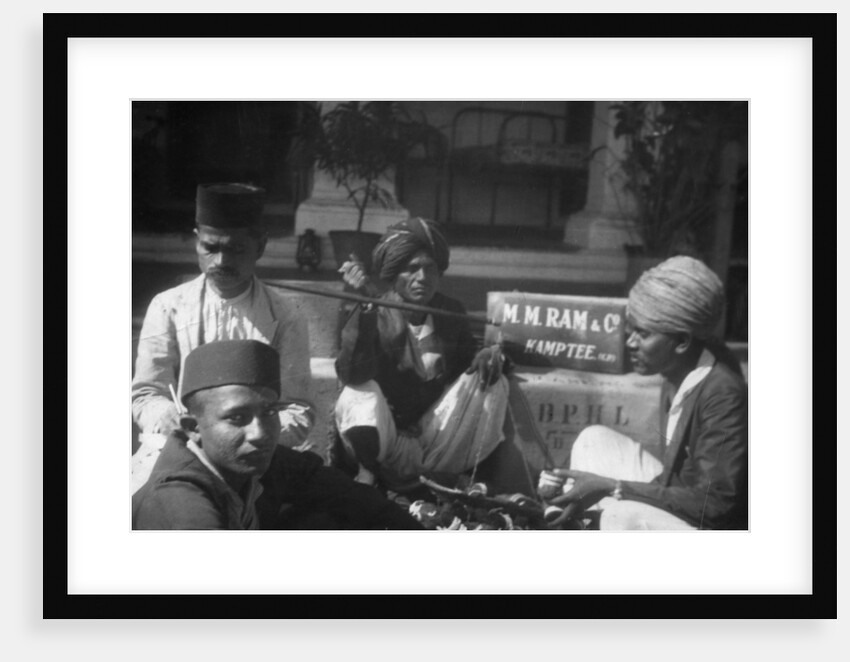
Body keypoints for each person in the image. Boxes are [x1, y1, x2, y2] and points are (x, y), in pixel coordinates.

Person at [539, 256, 748, 530]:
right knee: (594, 440)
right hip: (678, 492)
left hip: (711, 527)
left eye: (642, 334)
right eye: (630, 331)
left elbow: (716, 504)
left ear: (682, 341)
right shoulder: (678, 362)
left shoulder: (722, 394)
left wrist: (614, 488)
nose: (630, 343)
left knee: (621, 516)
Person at [131, 183, 314, 493]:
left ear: (260, 246)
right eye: (210, 248)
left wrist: (245, 440)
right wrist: (168, 418)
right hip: (178, 448)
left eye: (236, 249)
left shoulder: (286, 315)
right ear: (196, 242)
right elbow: (146, 393)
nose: (221, 261)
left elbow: (299, 410)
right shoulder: (169, 306)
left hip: (257, 458)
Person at [132, 340, 424, 530]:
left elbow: (344, 491)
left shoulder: (249, 459)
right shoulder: (180, 503)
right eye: (237, 418)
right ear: (193, 428)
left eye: (270, 411)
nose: (259, 433)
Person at [332, 216, 510, 493]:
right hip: (386, 438)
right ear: (393, 273)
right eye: (411, 269)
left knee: (494, 382)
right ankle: (368, 476)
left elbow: (468, 365)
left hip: (431, 440)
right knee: (357, 392)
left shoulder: (450, 310)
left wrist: (489, 354)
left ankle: (448, 477)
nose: (422, 279)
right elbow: (352, 373)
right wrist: (366, 308)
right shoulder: (375, 309)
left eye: (430, 269)